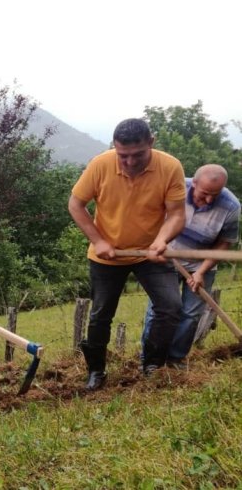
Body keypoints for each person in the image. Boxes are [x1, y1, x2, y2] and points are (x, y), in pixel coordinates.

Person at [68, 118, 186, 390]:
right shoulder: (101, 165)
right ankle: (96, 371)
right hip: (107, 256)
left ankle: (153, 365)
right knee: (100, 314)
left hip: (149, 253)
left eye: (138, 155)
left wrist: (161, 240)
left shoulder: (170, 167)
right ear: (114, 148)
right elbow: (76, 204)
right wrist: (98, 240)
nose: (130, 162)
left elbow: (177, 214)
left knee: (170, 307)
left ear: (151, 143)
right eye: (123, 155)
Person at [142, 164, 240, 368]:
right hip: (166, 257)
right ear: (193, 183)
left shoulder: (231, 206)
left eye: (216, 194)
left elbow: (224, 243)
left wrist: (202, 271)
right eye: (205, 193)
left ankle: (175, 358)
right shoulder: (175, 188)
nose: (210, 199)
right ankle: (150, 358)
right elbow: (152, 217)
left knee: (191, 313)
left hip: (202, 263)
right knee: (159, 309)